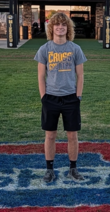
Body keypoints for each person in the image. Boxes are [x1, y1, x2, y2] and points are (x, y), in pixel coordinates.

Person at [34, 13, 87, 183]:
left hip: (71, 98)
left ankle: (73, 168)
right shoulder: (45, 49)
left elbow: (81, 75)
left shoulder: (75, 48)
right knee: (50, 135)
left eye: (64, 24)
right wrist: (44, 97)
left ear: (68, 28)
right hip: (51, 98)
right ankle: (49, 170)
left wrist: (78, 96)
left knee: (72, 135)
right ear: (52, 28)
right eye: (57, 24)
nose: (60, 27)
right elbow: (41, 76)